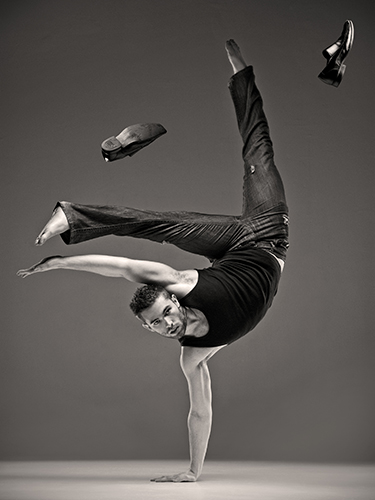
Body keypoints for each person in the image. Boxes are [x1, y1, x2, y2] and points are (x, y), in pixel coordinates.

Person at [17, 40, 289, 482]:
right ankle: (73, 217)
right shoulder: (191, 357)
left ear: (174, 302)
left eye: (164, 314)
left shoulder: (180, 283)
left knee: (236, 167)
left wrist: (62, 263)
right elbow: (200, 412)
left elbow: (124, 267)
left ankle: (240, 75)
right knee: (226, 182)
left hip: (257, 227)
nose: (166, 326)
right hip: (270, 242)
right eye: (156, 324)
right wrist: (192, 473)